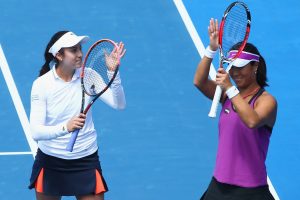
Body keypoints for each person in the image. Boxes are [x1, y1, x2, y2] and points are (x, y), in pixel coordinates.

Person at [28, 31, 126, 200]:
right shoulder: (41, 85)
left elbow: (119, 104)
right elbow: (36, 132)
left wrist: (113, 73)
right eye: (73, 50)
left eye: (79, 48)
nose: (80, 54)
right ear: (58, 55)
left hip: (85, 159)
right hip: (51, 161)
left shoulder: (88, 76)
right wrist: (66, 127)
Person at [193, 19, 277, 200]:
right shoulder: (227, 98)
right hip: (218, 188)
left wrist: (229, 88)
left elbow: (252, 120)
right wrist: (211, 49)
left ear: (255, 67)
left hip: (251, 192)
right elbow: (199, 82)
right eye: (232, 67)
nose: (235, 73)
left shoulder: (267, 101)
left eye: (240, 67)